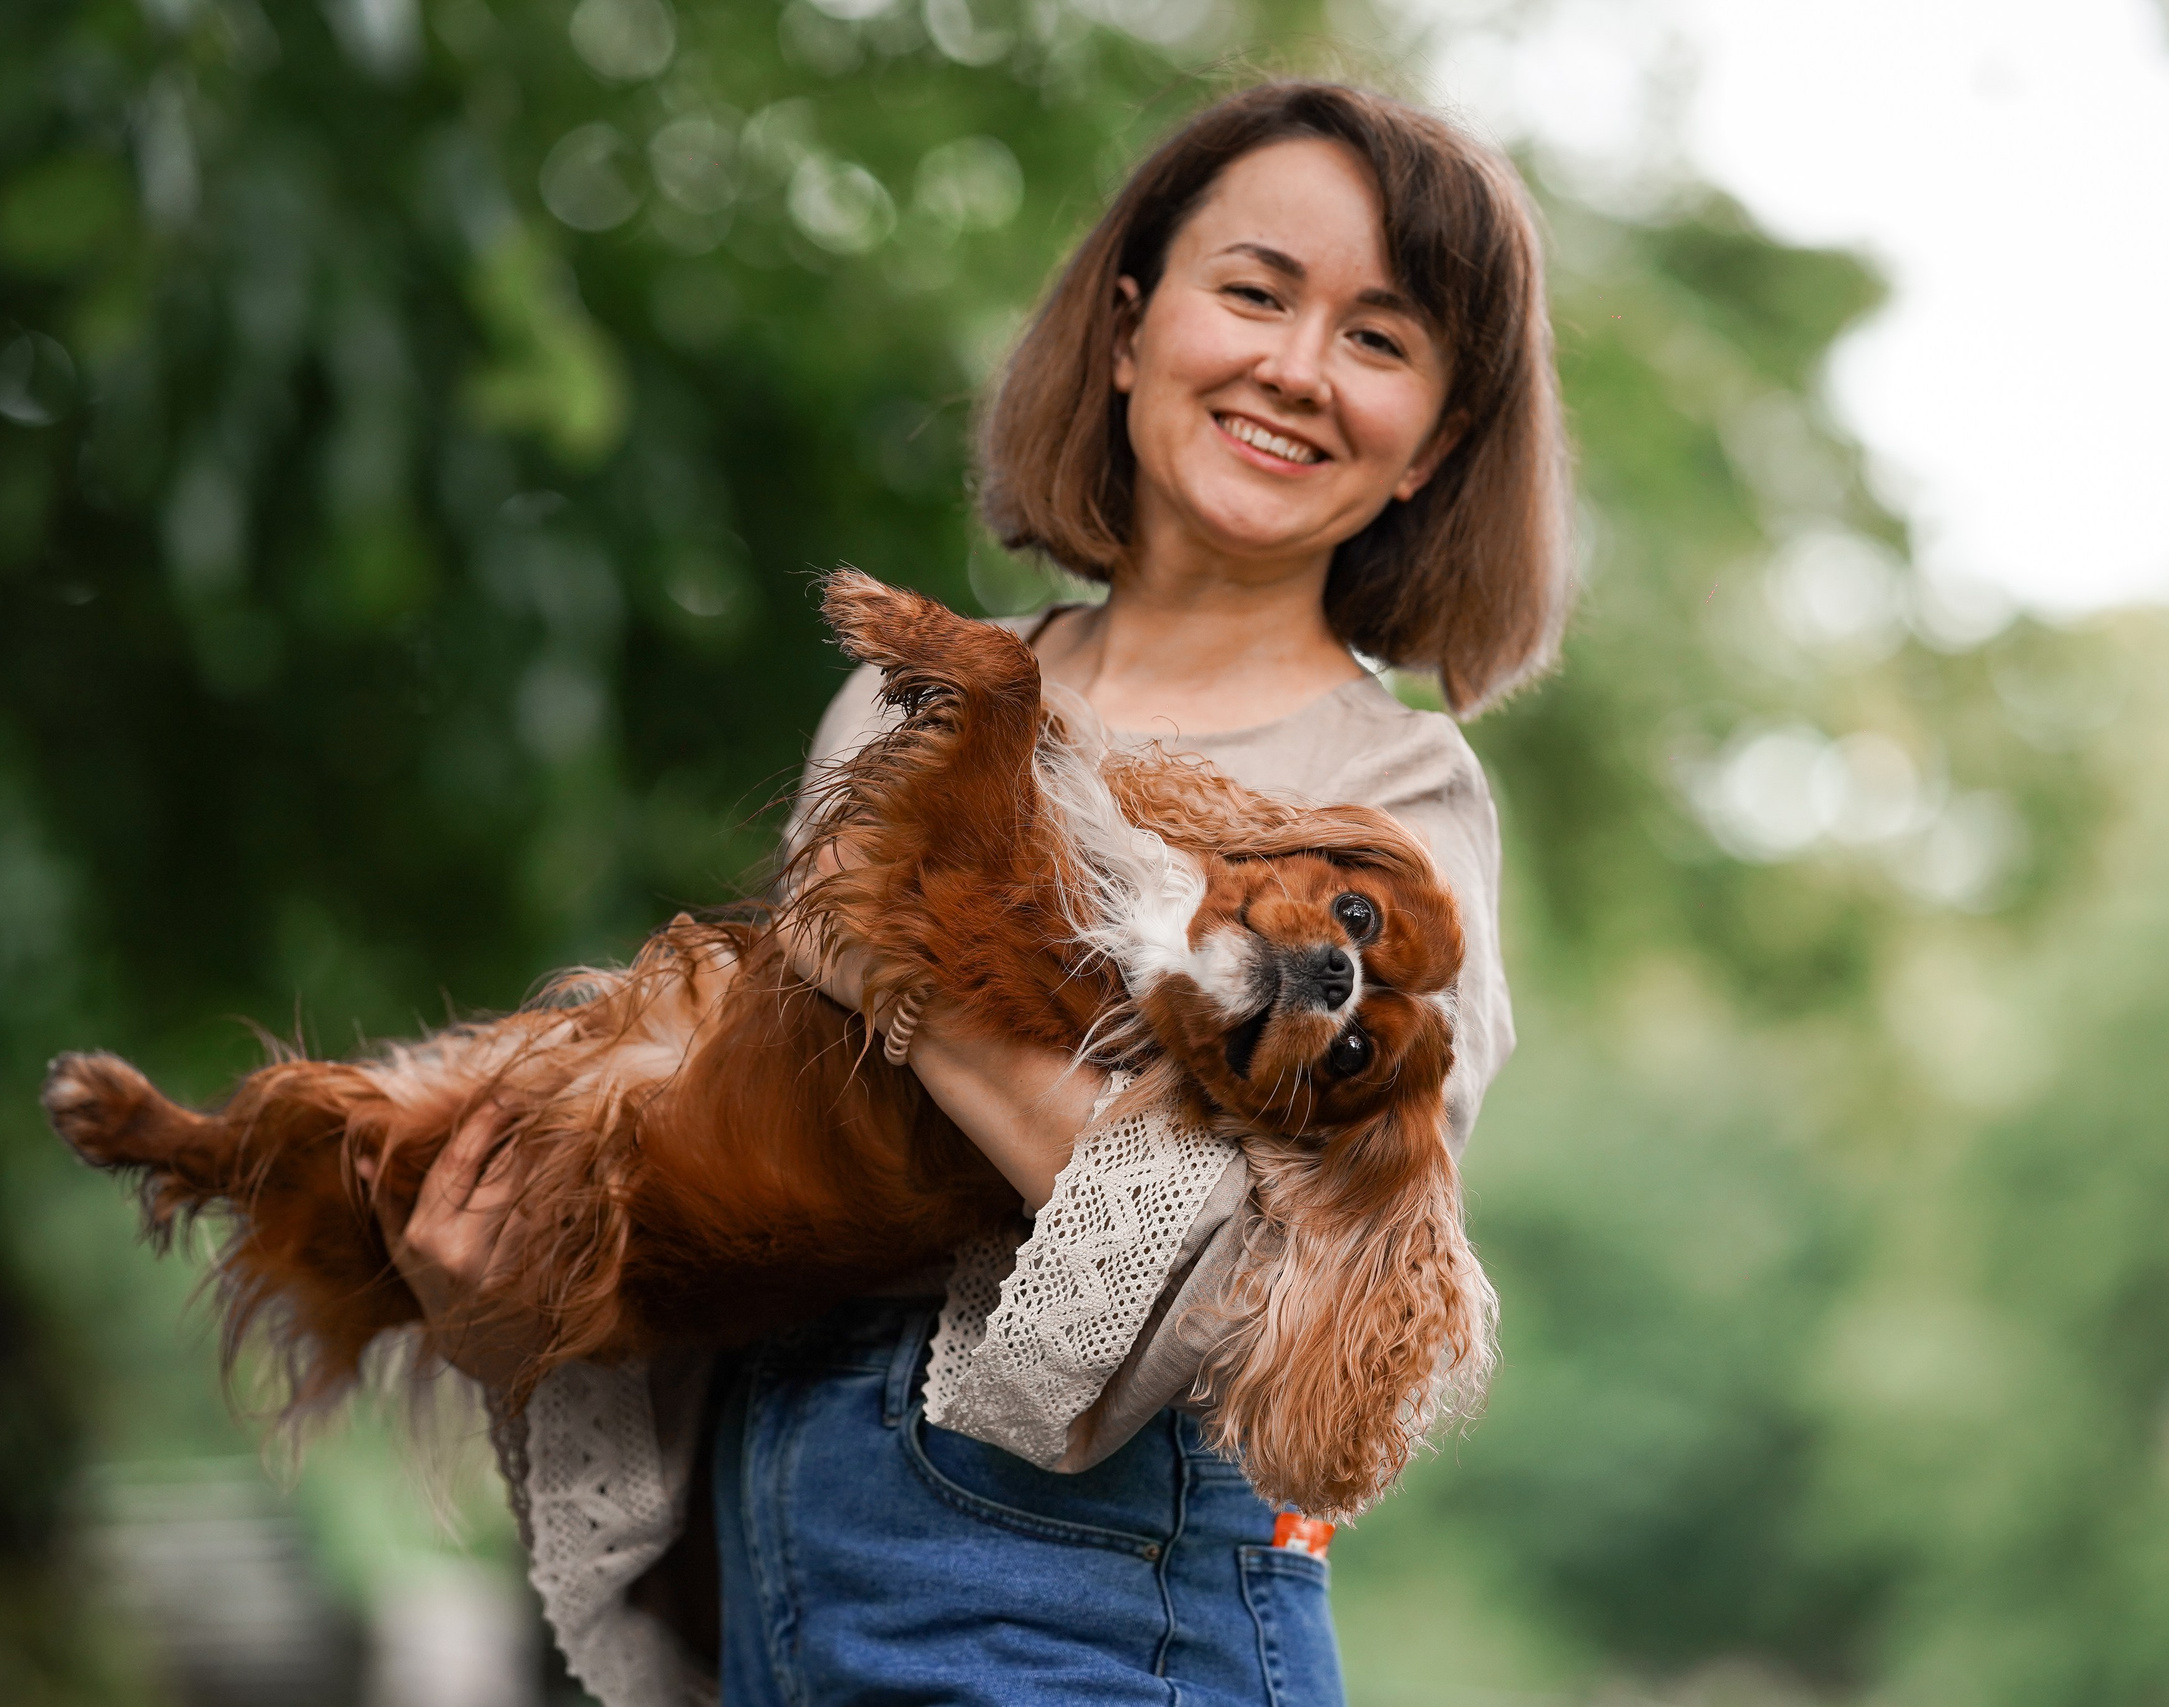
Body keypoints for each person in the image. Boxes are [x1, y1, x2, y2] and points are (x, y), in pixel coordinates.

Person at [386, 80, 1570, 1707]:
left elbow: (1241, 1299)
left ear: (1434, 443)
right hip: (785, 1560)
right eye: (1256, 291)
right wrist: (517, 1299)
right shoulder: (905, 702)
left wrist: (904, 972)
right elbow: (773, 1156)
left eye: (1382, 338)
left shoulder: (1392, 805)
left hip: (1110, 1605)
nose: (1298, 366)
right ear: (1127, 329)